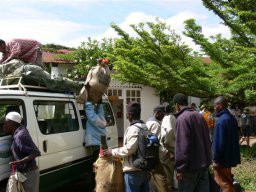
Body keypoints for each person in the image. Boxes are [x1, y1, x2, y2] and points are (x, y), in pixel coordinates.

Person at [104, 101, 150, 192]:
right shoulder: (144, 127)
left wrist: (112, 151)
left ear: (130, 114)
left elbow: (129, 149)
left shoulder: (133, 129)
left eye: (127, 113)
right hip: (145, 170)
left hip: (133, 171)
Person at [173, 93, 212, 192]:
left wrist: (180, 169)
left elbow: (182, 146)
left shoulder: (182, 118)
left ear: (177, 105)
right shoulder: (199, 116)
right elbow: (208, 139)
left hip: (190, 169)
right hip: (203, 166)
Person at [4, 112, 41, 192]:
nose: (4, 126)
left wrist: (20, 162)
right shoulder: (18, 131)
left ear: (11, 123)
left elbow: (36, 152)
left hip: (29, 174)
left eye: (5, 123)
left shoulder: (21, 135)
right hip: (23, 173)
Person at [212, 96, 241, 192]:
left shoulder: (221, 121)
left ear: (219, 106)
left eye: (215, 105)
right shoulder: (231, 118)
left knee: (224, 184)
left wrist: (215, 159)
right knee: (228, 181)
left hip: (222, 160)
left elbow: (219, 143)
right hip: (229, 157)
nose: (214, 108)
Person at [146, 105, 168, 192]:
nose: (163, 117)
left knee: (152, 178)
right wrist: (167, 152)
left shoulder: (148, 121)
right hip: (153, 156)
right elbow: (155, 143)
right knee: (161, 178)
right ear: (157, 113)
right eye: (162, 114)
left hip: (146, 155)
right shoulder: (155, 125)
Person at [84, 98, 107, 169]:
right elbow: (100, 110)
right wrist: (100, 101)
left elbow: (89, 111)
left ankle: (96, 179)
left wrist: (88, 100)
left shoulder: (95, 120)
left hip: (95, 144)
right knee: (101, 164)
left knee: (96, 166)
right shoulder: (101, 118)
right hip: (101, 144)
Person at [160, 102, 177, 191]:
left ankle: (169, 188)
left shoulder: (168, 117)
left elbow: (169, 131)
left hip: (168, 147)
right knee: (170, 171)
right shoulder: (173, 117)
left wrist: (165, 142)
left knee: (167, 172)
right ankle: (172, 187)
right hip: (173, 146)